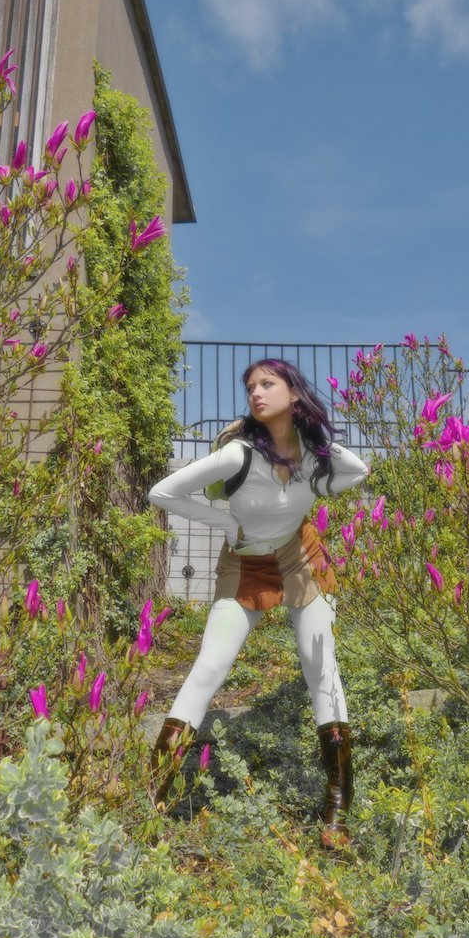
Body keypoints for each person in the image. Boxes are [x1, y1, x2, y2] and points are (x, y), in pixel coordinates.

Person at [148, 359, 367, 848]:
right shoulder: (238, 456)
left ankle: (337, 811)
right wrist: (226, 525)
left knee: (321, 667)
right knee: (208, 668)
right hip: (245, 565)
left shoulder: (313, 457)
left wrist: (315, 441)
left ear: (294, 393)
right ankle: (152, 797)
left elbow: (358, 471)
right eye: (250, 386)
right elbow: (161, 492)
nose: (256, 393)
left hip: (301, 558)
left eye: (268, 384)